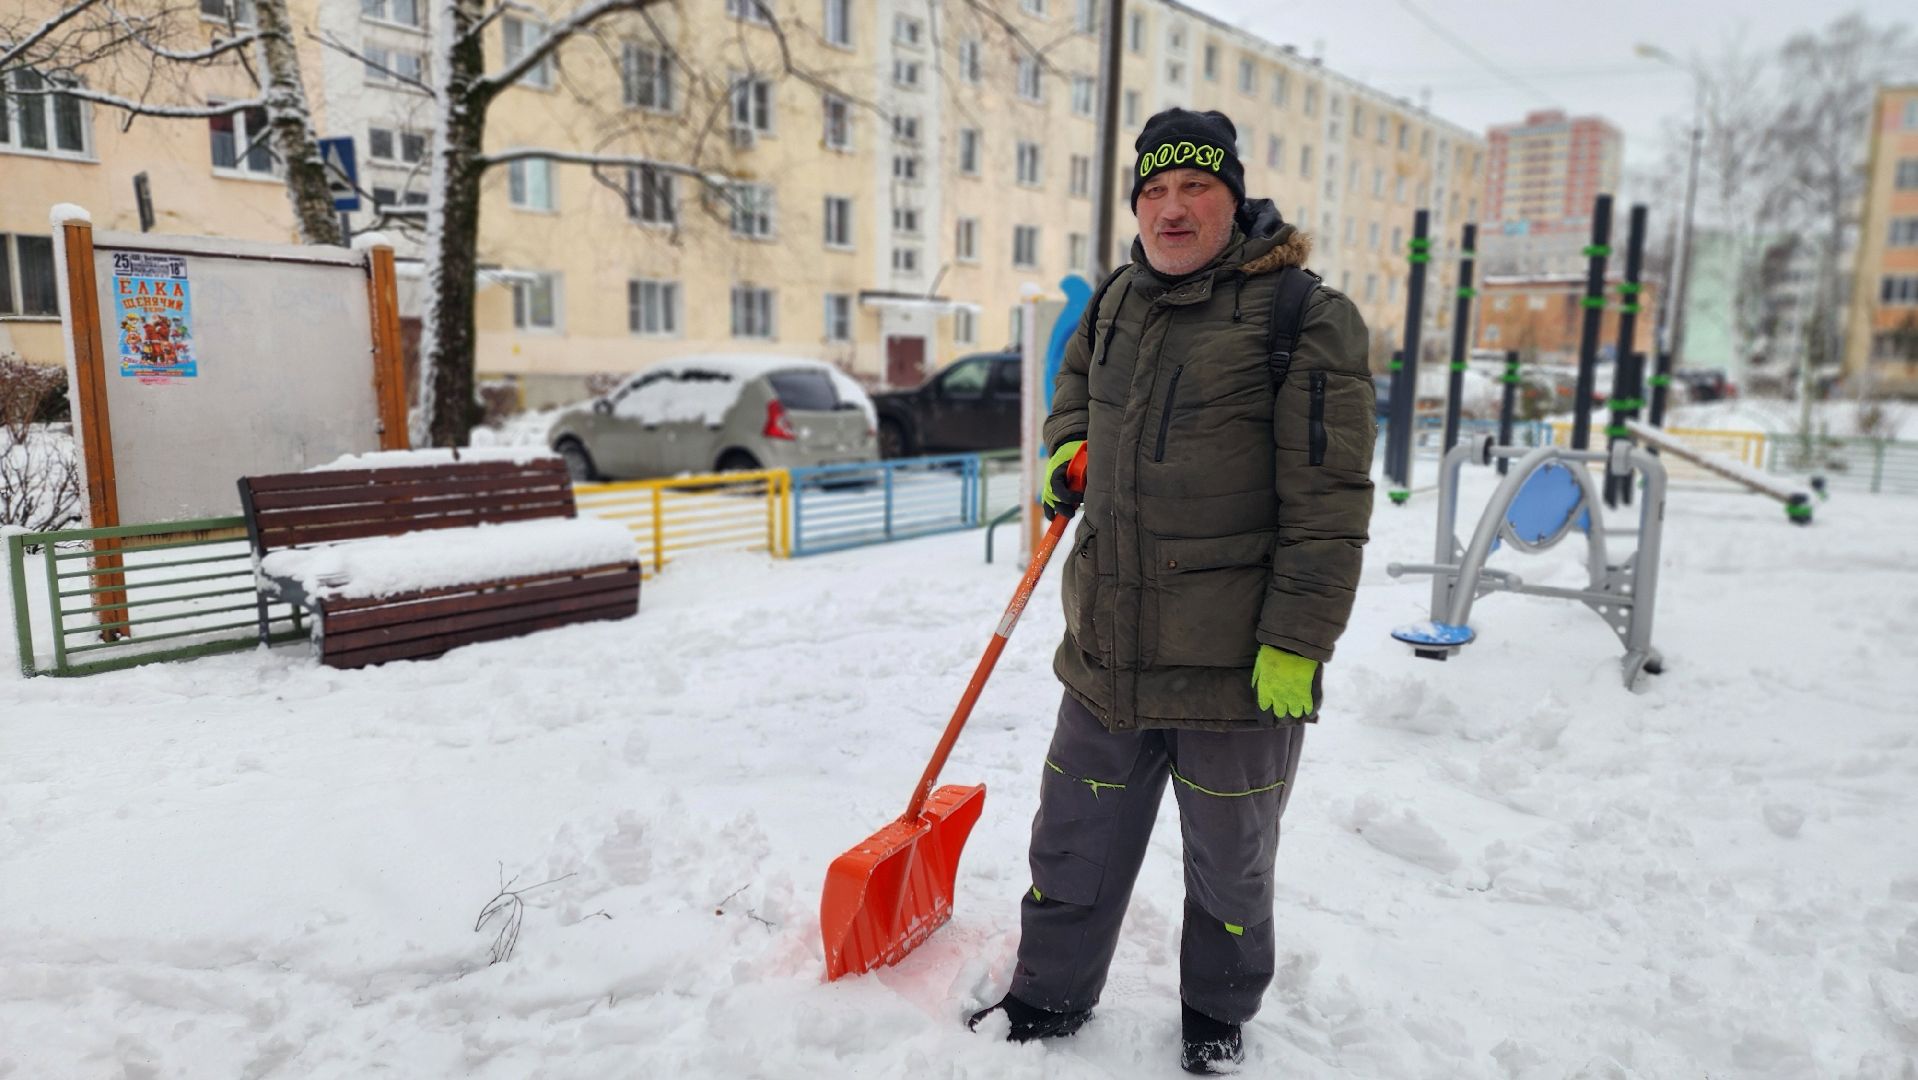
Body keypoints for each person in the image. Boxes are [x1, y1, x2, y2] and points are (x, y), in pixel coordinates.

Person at [968, 108, 1376, 1074]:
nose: (1172, 207)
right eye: (1153, 190)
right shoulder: (1116, 300)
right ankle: (1048, 998)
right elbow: (1073, 390)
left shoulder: (1304, 317)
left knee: (1230, 865)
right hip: (1107, 644)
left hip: (1236, 664)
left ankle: (1215, 1020)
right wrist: (1068, 449)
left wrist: (1298, 640)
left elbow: (1330, 500)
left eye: (1195, 187)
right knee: (1072, 836)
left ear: (1233, 199)